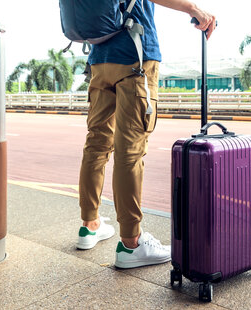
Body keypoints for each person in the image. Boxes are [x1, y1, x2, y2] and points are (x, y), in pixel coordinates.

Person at [76, 0, 216, 269]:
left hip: (99, 60)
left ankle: (89, 225)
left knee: (96, 145)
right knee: (129, 152)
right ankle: (132, 244)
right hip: (134, 55)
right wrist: (194, 9)